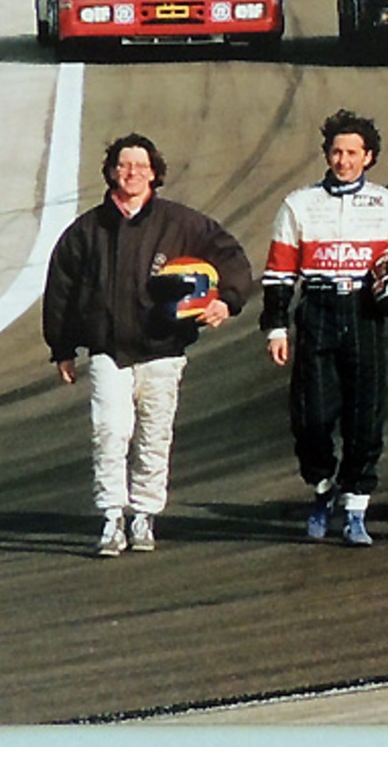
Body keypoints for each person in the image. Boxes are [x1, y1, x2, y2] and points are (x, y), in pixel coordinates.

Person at [43, 133, 253, 557]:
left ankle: (144, 514)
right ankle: (110, 518)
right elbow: (60, 288)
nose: (132, 173)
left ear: (155, 173)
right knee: (110, 431)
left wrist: (226, 302)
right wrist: (62, 347)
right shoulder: (86, 230)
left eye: (140, 166)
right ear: (110, 172)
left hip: (164, 348)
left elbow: (232, 258)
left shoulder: (182, 223)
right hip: (108, 349)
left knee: (155, 435)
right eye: (123, 166)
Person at [260, 110, 388, 547]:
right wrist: (276, 328)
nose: (344, 161)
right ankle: (322, 489)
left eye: (353, 153)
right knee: (311, 418)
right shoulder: (298, 204)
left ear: (369, 157)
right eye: (337, 152)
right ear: (327, 154)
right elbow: (280, 273)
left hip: (364, 311)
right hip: (317, 309)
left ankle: (356, 506)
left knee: (366, 416)